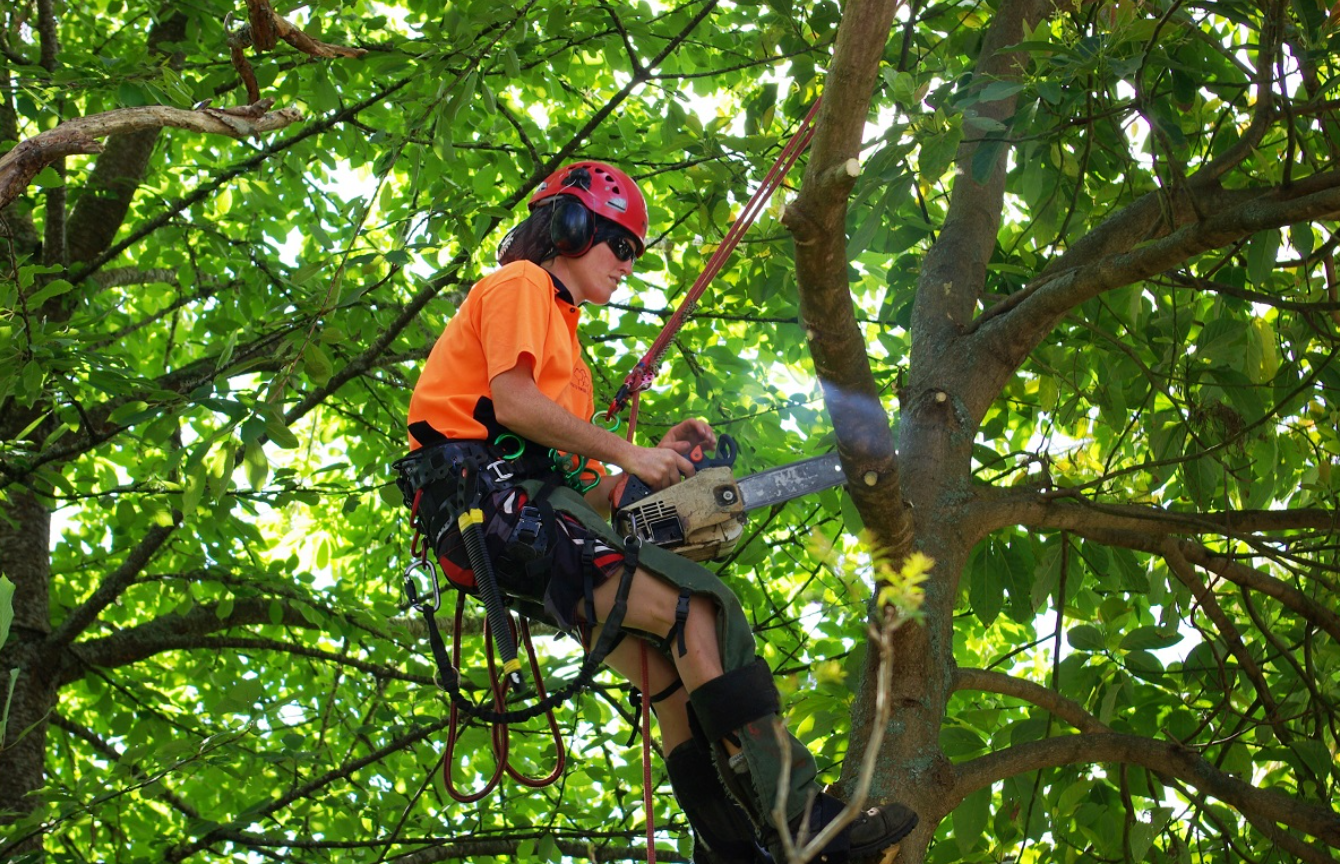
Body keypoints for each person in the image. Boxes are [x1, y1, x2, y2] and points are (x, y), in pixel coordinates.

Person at [396, 161, 918, 864]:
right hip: (490, 509)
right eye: (621, 247)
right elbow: (514, 402)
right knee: (696, 609)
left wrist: (642, 472)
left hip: (517, 520)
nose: (626, 268)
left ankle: (730, 846)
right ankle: (805, 824)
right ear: (573, 228)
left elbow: (574, 486)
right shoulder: (521, 284)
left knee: (670, 674)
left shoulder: (568, 350)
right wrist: (629, 453)